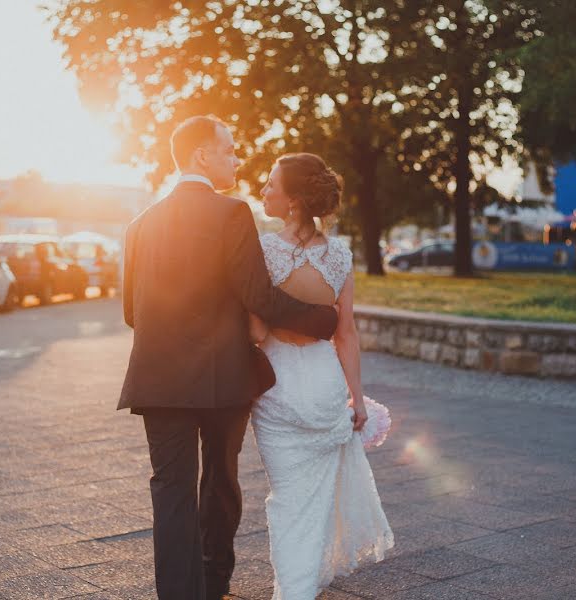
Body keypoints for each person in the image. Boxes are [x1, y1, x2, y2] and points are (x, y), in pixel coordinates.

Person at [118, 116, 339, 600]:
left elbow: (132, 312)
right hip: (222, 378)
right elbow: (258, 295)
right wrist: (322, 319)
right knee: (219, 482)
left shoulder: (140, 225)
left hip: (158, 380)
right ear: (202, 155)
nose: (236, 159)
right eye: (229, 150)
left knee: (170, 491)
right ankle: (214, 581)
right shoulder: (231, 214)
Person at [250, 153, 394, 599]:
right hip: (326, 386)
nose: (263, 190)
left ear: (293, 200)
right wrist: (356, 398)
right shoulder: (340, 256)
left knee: (289, 498)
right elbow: (346, 334)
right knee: (314, 501)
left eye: (271, 184)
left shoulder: (264, 250)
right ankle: (300, 586)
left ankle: (292, 590)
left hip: (278, 388)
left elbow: (255, 331)